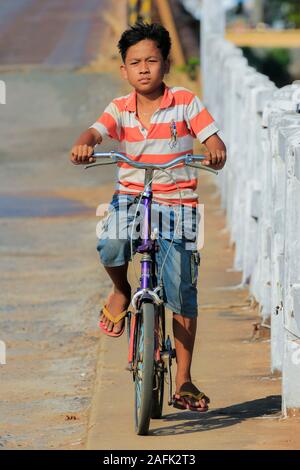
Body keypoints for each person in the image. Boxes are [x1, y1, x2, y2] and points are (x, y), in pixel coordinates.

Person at [70, 22, 226, 412]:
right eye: (135, 62)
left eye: (152, 61)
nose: (144, 68)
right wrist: (84, 145)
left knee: (181, 289)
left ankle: (185, 380)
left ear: (166, 64)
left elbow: (212, 138)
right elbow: (94, 132)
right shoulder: (119, 109)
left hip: (179, 204)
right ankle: (122, 290)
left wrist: (215, 148)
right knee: (110, 244)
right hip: (131, 198)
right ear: (123, 70)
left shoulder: (186, 101)